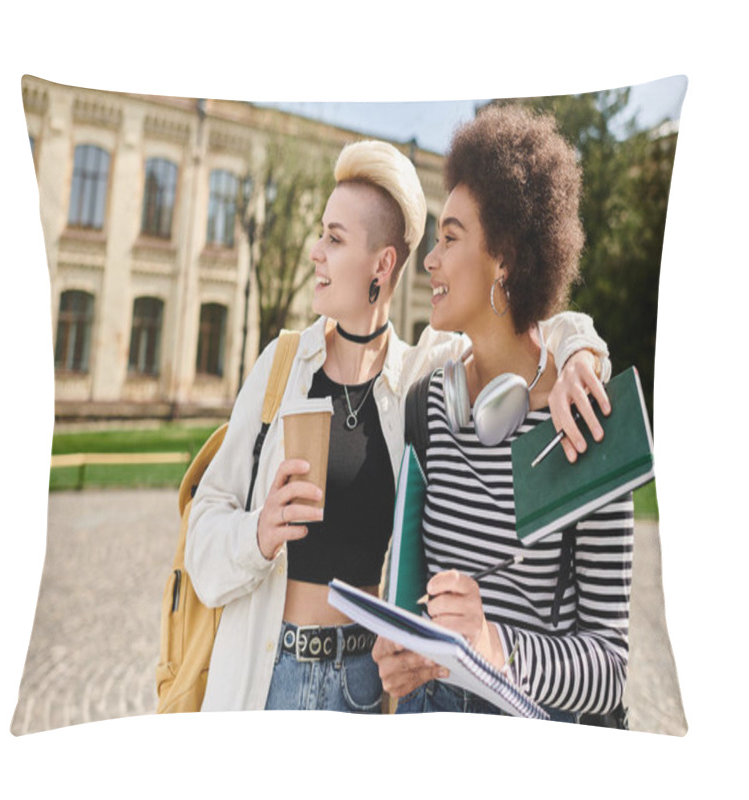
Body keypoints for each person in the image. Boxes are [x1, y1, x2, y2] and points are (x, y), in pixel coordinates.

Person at [185, 137, 612, 713]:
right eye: (321, 233)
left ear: (382, 265)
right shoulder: (280, 366)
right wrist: (258, 534)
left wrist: (580, 351)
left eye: (334, 239)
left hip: (367, 687)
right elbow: (203, 530)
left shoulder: (422, 373)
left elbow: (520, 323)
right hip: (268, 675)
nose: (315, 252)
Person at [372, 105, 633, 723]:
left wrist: (494, 644)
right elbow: (411, 594)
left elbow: (611, 669)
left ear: (506, 258)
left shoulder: (588, 421)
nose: (429, 260)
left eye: (451, 237)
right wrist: (402, 648)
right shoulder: (428, 407)